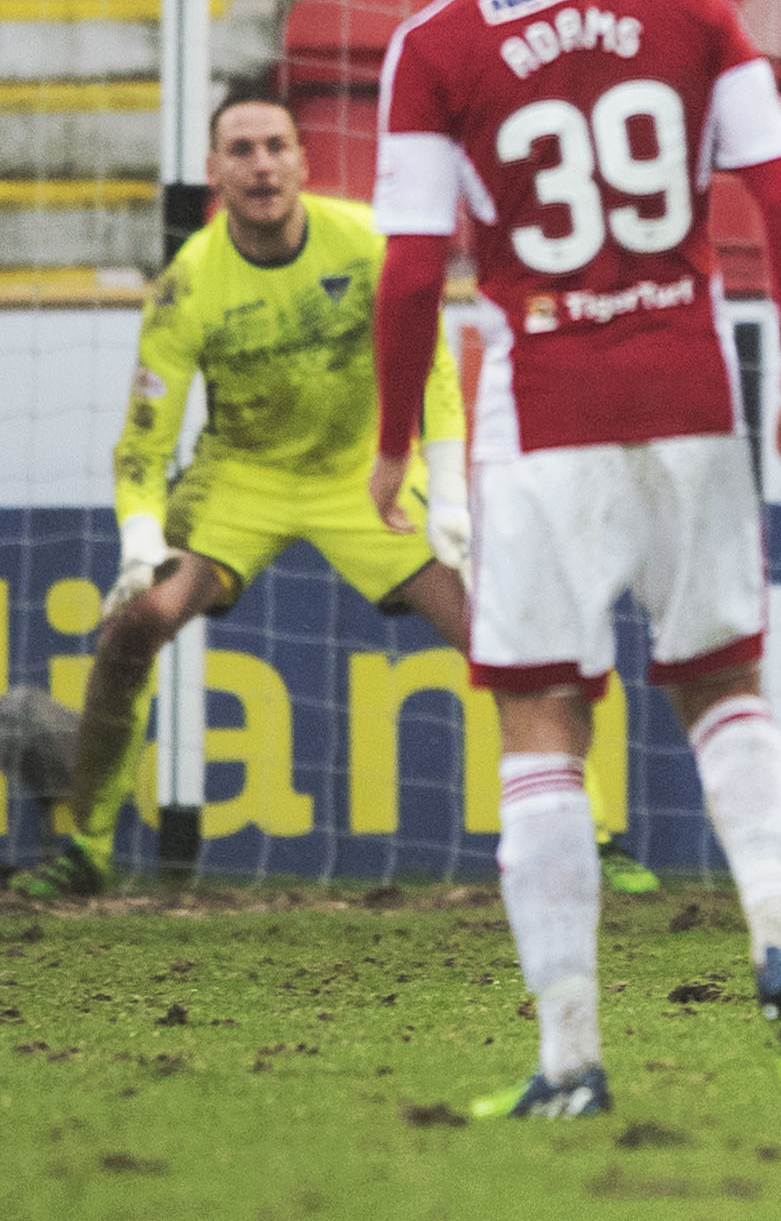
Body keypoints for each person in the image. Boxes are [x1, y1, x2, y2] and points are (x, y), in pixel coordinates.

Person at [370, 0, 781, 1119]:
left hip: (545, 403)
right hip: (690, 383)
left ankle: (572, 1055)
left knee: (540, 718)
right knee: (724, 684)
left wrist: (397, 435)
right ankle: (780, 942)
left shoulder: (437, 42)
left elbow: (412, 267)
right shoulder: (688, 0)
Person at [7, 88, 479, 900]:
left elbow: (431, 365)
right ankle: (87, 847)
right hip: (244, 478)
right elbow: (143, 442)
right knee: (134, 627)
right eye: (242, 150)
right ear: (213, 172)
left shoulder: (365, 241)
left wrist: (449, 487)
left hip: (362, 473)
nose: (261, 164)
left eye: (275, 146)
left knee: (499, 630)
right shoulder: (188, 284)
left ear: (301, 159)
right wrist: (141, 537)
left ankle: (597, 835)